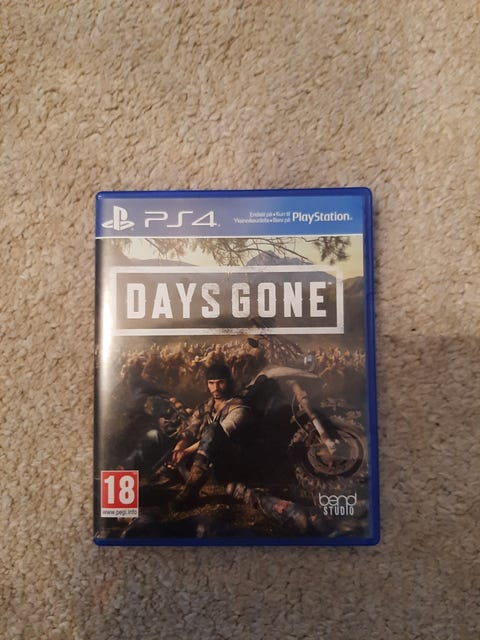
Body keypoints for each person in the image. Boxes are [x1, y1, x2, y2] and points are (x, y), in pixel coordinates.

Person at [171, 363, 252, 506]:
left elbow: (219, 433)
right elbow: (190, 430)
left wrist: (186, 451)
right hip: (208, 461)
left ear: (228, 382)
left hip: (230, 462)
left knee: (213, 428)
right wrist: (179, 448)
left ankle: (191, 490)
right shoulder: (205, 407)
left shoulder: (239, 407)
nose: (215, 388)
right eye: (211, 383)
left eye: (220, 382)